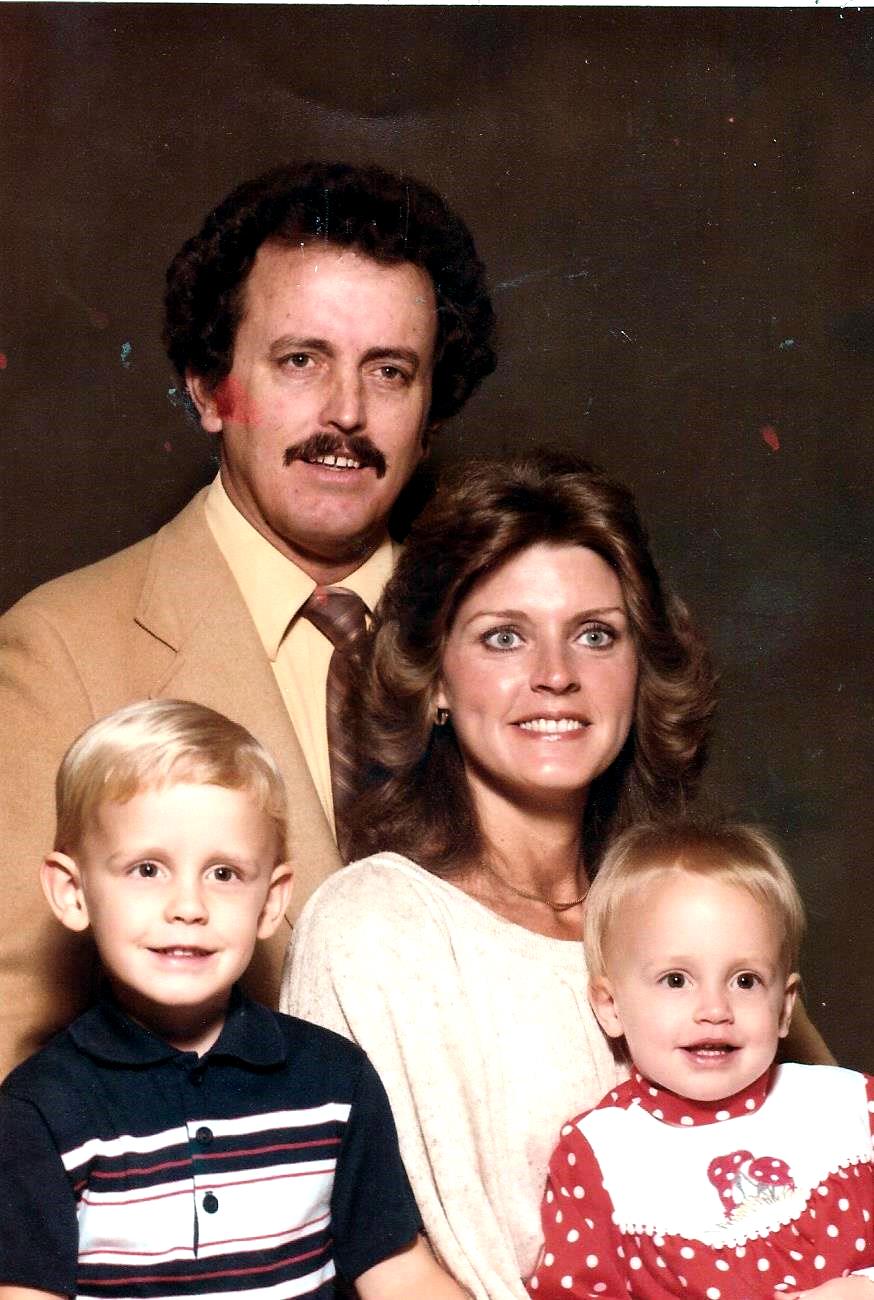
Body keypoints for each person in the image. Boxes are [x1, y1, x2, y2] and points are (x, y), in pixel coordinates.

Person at [0, 160, 496, 1076]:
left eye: (390, 371)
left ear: (431, 415)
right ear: (206, 387)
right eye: (301, 361)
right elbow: (13, 1048)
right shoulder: (61, 651)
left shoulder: (518, 638)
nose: (346, 414)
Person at [281, 451, 720, 1300]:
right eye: (504, 637)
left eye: (596, 634)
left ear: (640, 669)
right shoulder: (374, 930)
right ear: (433, 682)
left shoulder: (693, 913)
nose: (556, 674)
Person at [0, 699, 470, 1300]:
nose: (188, 907)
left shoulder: (335, 1080)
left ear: (270, 901)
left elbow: (399, 1273)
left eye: (223, 873)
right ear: (73, 892)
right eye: (147, 869)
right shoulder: (39, 1108)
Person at [526, 819, 874, 1300]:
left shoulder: (849, 1107)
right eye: (676, 980)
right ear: (611, 1006)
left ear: (784, 1007)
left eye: (745, 981)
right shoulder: (601, 1153)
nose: (714, 1009)